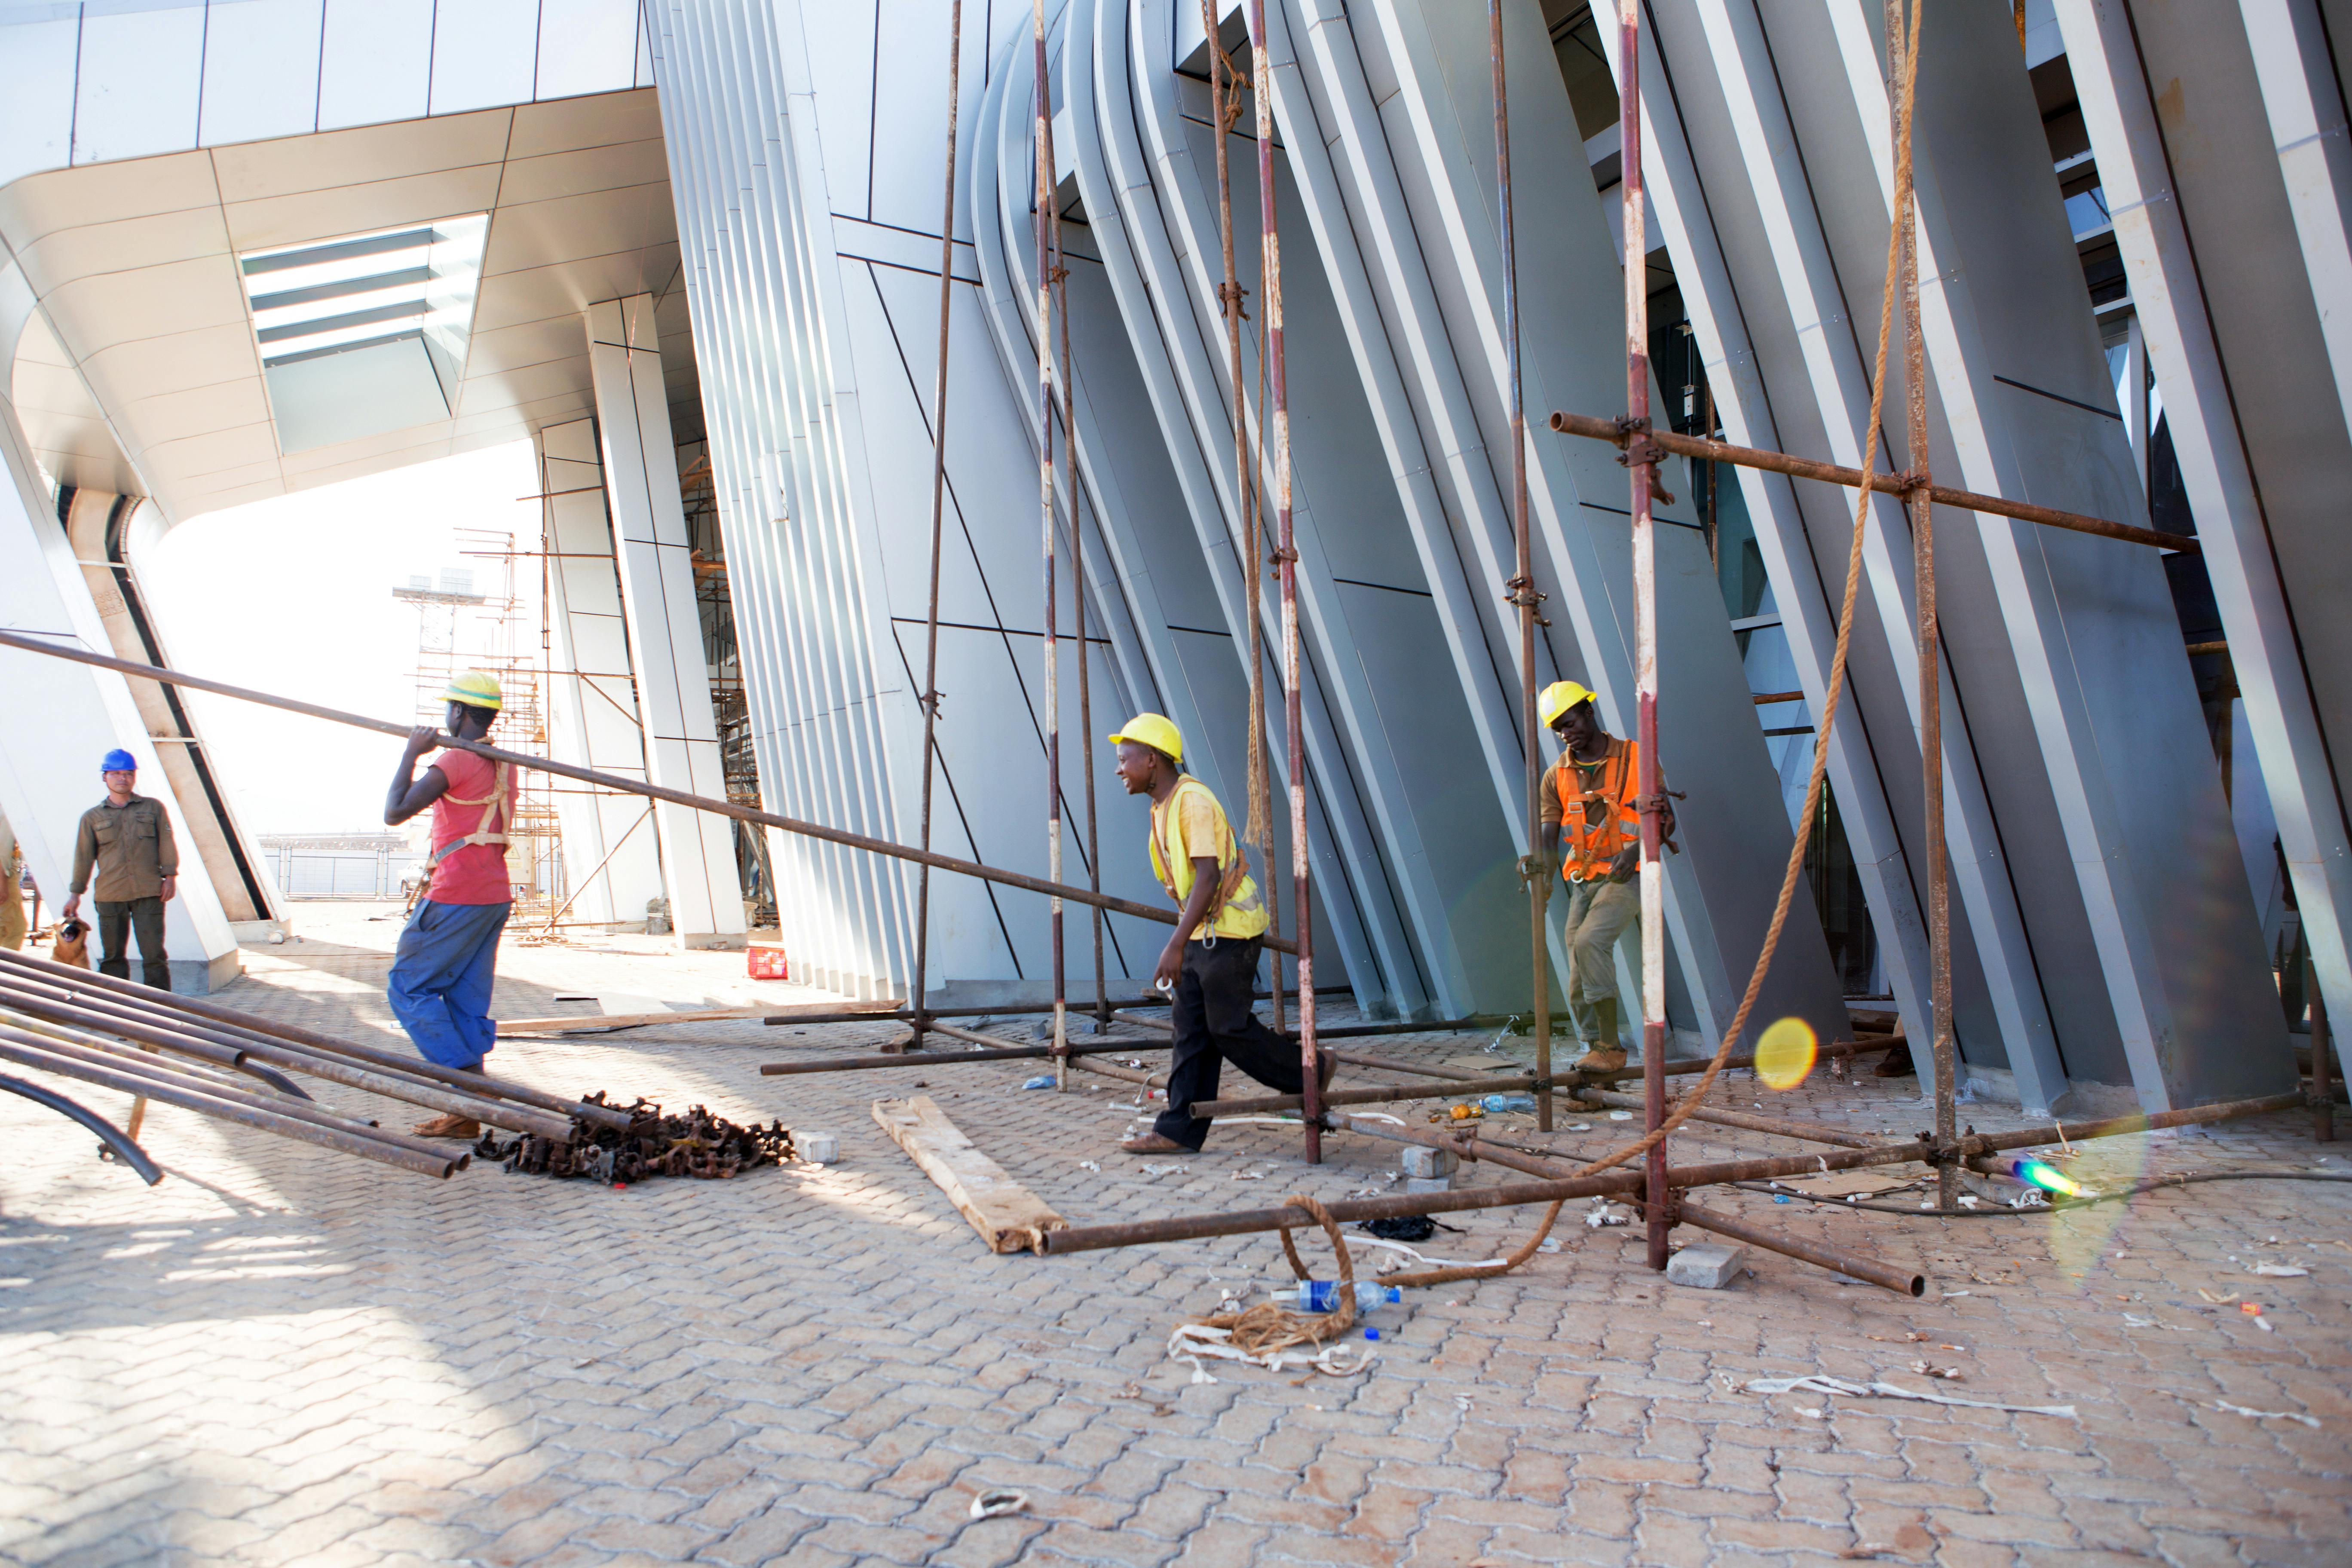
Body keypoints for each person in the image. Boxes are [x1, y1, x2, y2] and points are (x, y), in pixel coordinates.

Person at [1108, 713, 1331, 1155]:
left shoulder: (1191, 801)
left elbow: (1208, 878)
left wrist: (1174, 945)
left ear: (1152, 760)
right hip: (1203, 933)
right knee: (1191, 1032)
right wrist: (1182, 940)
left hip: (1229, 931)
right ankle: (1177, 1131)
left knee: (1227, 1027)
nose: (1119, 769)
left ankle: (1312, 1070)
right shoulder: (1163, 806)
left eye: (1125, 759)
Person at [384, 671, 515, 1138]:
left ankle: (470, 1084)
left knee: (407, 987)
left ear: (458, 713)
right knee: (463, 997)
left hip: (457, 894)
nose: (445, 716)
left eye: (448, 709)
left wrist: (410, 754)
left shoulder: (456, 760)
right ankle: (464, 1116)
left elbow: (395, 811)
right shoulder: (503, 763)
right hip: (494, 896)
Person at [1534, 681, 1675, 1073]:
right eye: (1559, 729)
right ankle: (1596, 1053)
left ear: (1589, 712)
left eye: (1571, 722)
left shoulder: (1636, 757)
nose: (1567, 733)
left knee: (1591, 940)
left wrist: (1634, 853)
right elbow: (1549, 832)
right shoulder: (1556, 776)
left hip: (1628, 875)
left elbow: (1666, 821)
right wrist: (1544, 874)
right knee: (1578, 969)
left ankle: (1611, 1047)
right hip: (1583, 880)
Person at [63, 749, 177, 987]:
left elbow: (166, 843)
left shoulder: (153, 808)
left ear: (135, 777)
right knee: (113, 956)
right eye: (115, 773)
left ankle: (162, 1009)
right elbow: (83, 858)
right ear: (104, 777)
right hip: (110, 895)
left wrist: (169, 877)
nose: (122, 778)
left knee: (154, 955)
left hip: (149, 893)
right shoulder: (92, 818)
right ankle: (116, 1007)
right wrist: (75, 896)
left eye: (128, 773)